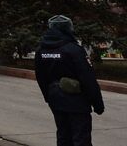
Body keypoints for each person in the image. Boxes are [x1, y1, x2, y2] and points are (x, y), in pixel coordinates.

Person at [35, 15, 104, 146]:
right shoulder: (74, 50)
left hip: (56, 99)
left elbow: (40, 77)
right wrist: (97, 103)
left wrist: (48, 96)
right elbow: (88, 78)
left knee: (63, 136)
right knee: (80, 138)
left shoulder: (41, 50)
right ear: (68, 29)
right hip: (77, 101)